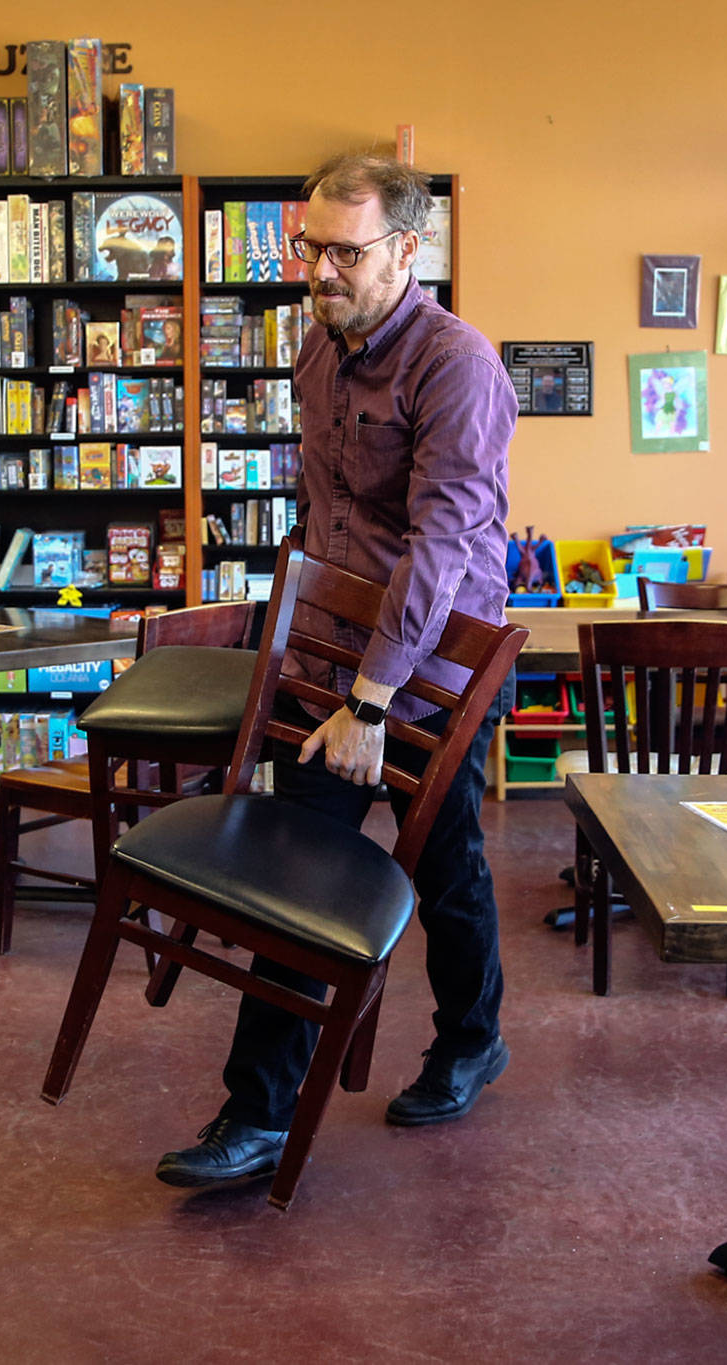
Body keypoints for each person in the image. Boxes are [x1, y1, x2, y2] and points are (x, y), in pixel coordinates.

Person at [157, 151, 519, 1189]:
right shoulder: (317, 355)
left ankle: (467, 1042)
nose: (318, 271)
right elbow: (325, 522)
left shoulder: (456, 364)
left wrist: (370, 697)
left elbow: (437, 547)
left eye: (343, 252)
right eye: (307, 247)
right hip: (335, 660)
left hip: (435, 672)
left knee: (442, 867)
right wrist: (299, 648)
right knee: (296, 865)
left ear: (406, 250)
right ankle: (257, 1113)